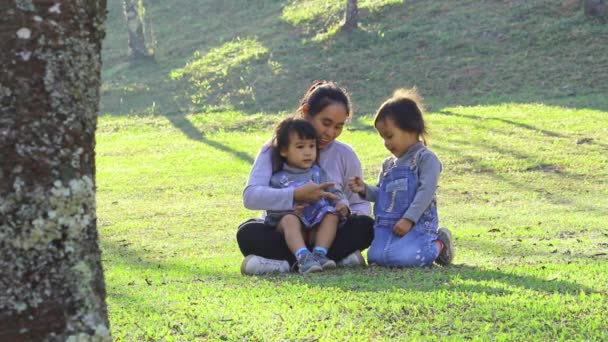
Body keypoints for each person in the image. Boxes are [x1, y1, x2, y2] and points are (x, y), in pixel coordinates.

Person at [237, 80, 374, 275]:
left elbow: (359, 204)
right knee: (248, 233)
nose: (330, 133)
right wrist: (295, 195)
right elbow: (251, 196)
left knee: (366, 226)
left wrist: (343, 212)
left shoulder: (345, 154)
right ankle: (329, 259)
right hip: (288, 231)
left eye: (338, 126)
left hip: (328, 232)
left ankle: (287, 264)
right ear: (305, 111)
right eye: (326, 123)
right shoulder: (275, 149)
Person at [348, 88, 454, 267]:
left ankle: (439, 244)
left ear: (411, 129)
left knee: (405, 259)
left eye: (390, 136)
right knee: (376, 258)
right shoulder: (388, 165)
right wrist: (365, 190)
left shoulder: (426, 159)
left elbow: (426, 193)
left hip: (417, 226)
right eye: (383, 138)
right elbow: (382, 194)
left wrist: (409, 219)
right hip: (388, 227)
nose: (386, 143)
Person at [265, 117, 349, 273]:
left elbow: (334, 189)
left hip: (317, 226)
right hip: (294, 229)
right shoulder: (278, 179)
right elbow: (272, 210)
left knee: (332, 215)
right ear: (283, 150)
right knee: (289, 220)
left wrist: (342, 203)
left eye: (312, 146)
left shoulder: (318, 172)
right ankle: (303, 257)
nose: (308, 152)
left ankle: (319, 254)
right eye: (300, 147)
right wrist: (289, 210)